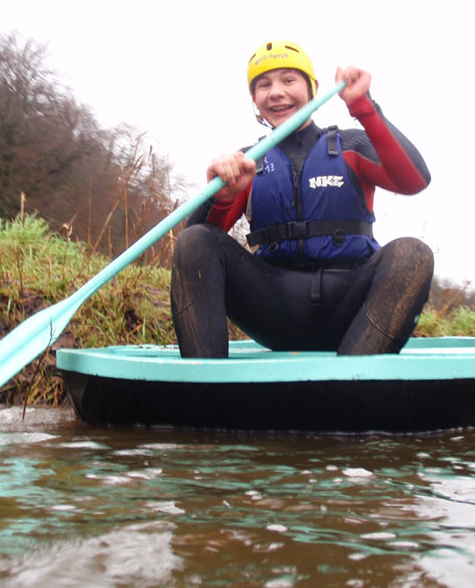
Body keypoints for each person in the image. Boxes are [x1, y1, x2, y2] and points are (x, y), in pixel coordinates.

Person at [170, 40, 433, 358]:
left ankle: (354, 382)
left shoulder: (352, 145)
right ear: (255, 100)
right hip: (274, 309)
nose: (276, 92)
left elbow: (415, 180)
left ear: (313, 89)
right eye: (263, 85)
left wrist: (364, 107)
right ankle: (203, 388)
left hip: (353, 310)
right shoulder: (247, 163)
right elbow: (193, 248)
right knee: (194, 241)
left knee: (412, 254)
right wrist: (222, 197)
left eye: (288, 80)